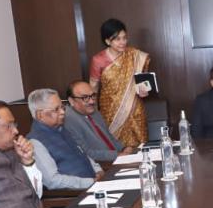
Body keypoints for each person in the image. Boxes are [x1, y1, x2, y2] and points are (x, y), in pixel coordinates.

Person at [26, 88, 104, 190]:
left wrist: (98, 170)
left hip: (95, 184)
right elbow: (53, 181)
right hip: (75, 194)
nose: (62, 112)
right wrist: (91, 182)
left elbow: (83, 155)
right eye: (56, 109)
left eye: (62, 107)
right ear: (40, 115)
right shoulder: (35, 142)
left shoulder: (62, 129)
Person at [89, 18, 150, 147]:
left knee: (140, 148)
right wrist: (93, 113)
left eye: (124, 38)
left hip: (134, 109)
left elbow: (143, 82)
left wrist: (144, 90)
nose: (122, 42)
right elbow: (93, 87)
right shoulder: (98, 60)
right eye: (117, 39)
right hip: (110, 112)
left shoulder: (134, 55)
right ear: (107, 41)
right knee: (116, 149)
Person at [65, 80, 133, 163]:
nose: (92, 101)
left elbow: (109, 137)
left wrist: (124, 148)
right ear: (71, 101)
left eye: (92, 96)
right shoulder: (67, 119)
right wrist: (117, 155)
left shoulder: (94, 111)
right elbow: (87, 153)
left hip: (117, 159)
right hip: (100, 165)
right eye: (85, 98)